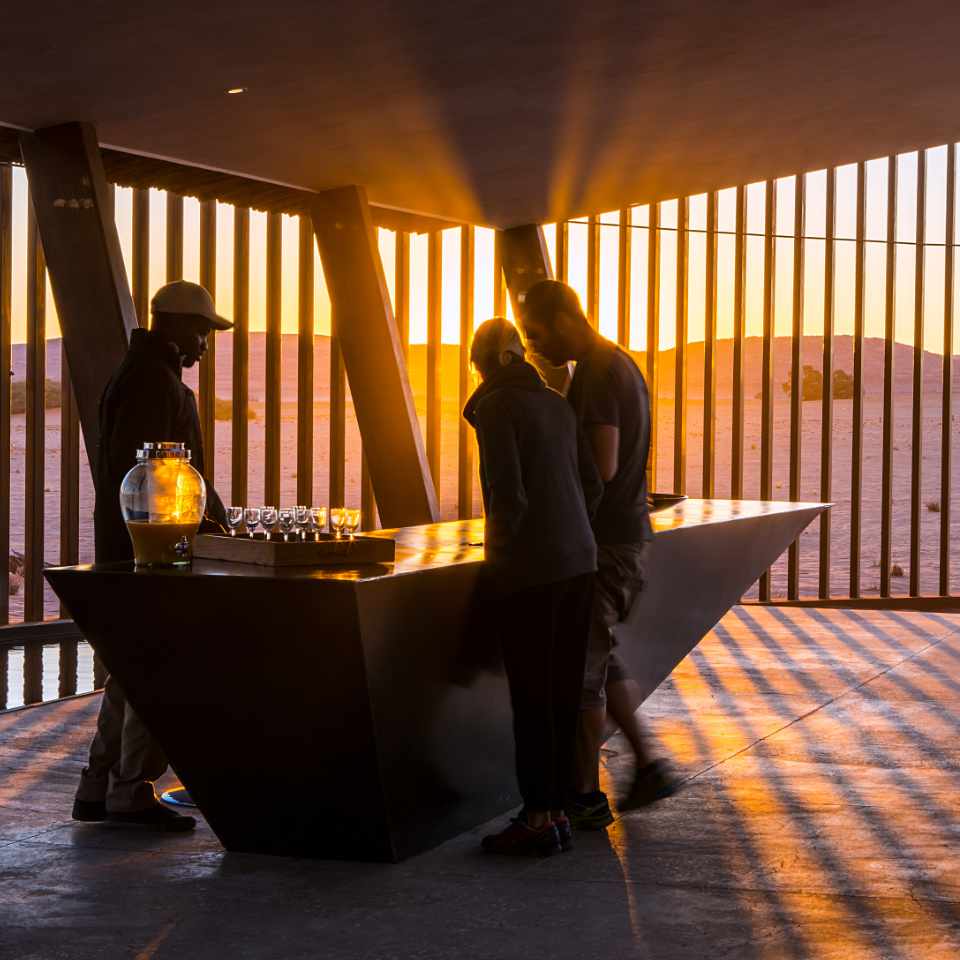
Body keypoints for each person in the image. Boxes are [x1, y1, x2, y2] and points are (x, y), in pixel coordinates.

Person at [518, 280, 679, 831]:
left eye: (536, 335)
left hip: (604, 542)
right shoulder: (622, 363)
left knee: (584, 672)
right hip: (627, 535)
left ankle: (583, 796)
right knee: (602, 657)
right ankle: (647, 763)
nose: (535, 348)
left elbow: (602, 465)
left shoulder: (597, 373)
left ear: (564, 318)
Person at [72, 280, 231, 832]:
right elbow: (160, 480)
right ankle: (130, 790)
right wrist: (210, 525)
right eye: (204, 332)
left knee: (126, 671)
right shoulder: (154, 382)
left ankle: (98, 786)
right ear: (181, 325)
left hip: (129, 551)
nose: (206, 347)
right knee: (156, 670)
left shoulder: (135, 374)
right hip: (152, 555)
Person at [464, 317, 600, 856]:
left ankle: (538, 818)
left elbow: (508, 498)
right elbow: (590, 483)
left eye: (478, 365)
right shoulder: (559, 404)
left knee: (531, 696)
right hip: (579, 562)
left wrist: (500, 563)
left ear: (495, 361)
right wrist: (568, 530)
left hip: (534, 570)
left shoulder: (498, 407)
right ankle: (559, 810)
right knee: (563, 692)